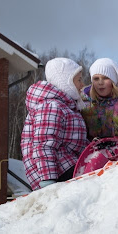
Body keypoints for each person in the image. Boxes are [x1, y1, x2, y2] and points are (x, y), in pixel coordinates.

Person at [21, 58, 90, 190]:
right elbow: (44, 145)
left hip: (65, 164)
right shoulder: (51, 106)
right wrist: (48, 181)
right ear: (66, 82)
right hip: (55, 172)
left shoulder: (65, 106)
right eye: (79, 80)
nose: (82, 85)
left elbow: (73, 142)